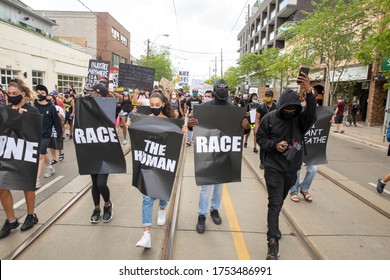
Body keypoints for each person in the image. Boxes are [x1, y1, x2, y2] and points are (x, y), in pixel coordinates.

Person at [256, 71, 316, 260]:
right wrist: (275, 145)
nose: (289, 114)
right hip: (273, 167)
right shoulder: (269, 119)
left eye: (293, 110)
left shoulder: (300, 120)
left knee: (279, 201)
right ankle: (272, 243)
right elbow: (260, 138)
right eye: (286, 111)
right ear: (281, 107)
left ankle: (272, 225)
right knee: (274, 204)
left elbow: (312, 112)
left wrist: (309, 90)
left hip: (292, 169)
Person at [187, 79, 250, 234]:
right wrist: (190, 123)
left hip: (225, 151)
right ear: (214, 90)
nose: (222, 90)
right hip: (208, 152)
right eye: (219, 87)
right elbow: (191, 125)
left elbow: (244, 130)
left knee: (219, 186)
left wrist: (247, 127)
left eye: (225, 87)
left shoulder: (234, 109)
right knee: (206, 187)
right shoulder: (203, 108)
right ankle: (202, 215)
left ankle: (214, 209)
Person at [129, 91, 187, 248]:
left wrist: (182, 131)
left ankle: (162, 208)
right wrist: (130, 123)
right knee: (147, 197)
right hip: (148, 159)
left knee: (162, 189)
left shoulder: (170, 120)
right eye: (151, 105)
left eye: (157, 105)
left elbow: (176, 140)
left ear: (163, 105)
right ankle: (146, 234)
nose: (154, 107)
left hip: (163, 160)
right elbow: (134, 132)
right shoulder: (143, 117)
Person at [0, 78, 40, 239]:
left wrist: (24, 118)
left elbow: (37, 130)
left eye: (15, 93)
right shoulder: (4, 110)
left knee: (27, 184)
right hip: (7, 150)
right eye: (9, 93)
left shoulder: (32, 111)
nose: (11, 96)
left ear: (22, 93)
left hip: (25, 151)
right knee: (2, 186)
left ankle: (31, 215)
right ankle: (11, 219)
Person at [88, 83, 114, 224]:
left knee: (101, 183)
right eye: (93, 94)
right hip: (91, 149)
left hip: (105, 150)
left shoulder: (109, 108)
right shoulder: (86, 108)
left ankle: (108, 204)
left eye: (97, 94)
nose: (94, 96)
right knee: (94, 182)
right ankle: (96, 208)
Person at [34, 85, 63, 189]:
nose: (40, 94)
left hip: (45, 134)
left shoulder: (51, 107)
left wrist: (60, 134)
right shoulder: (33, 105)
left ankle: (36, 180)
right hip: (33, 134)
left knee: (40, 155)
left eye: (42, 93)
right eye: (38, 92)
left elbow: (56, 121)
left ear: (46, 94)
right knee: (42, 153)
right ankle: (50, 168)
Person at [255, 90, 277, 160]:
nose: (267, 97)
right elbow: (257, 118)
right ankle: (262, 160)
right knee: (263, 145)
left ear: (272, 97)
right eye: (266, 96)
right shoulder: (260, 107)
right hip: (263, 129)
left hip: (273, 129)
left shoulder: (276, 107)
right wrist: (256, 128)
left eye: (269, 96)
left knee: (272, 144)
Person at [46, 93, 65, 165]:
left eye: (50, 99)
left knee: (58, 142)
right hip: (49, 129)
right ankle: (54, 158)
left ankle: (61, 152)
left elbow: (63, 120)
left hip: (57, 128)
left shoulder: (58, 108)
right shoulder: (46, 108)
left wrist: (60, 117)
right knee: (51, 144)